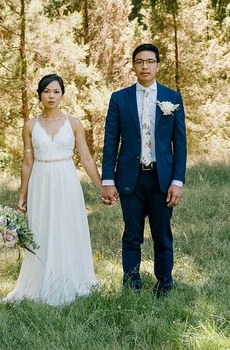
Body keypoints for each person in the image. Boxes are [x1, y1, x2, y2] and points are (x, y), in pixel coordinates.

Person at [4, 74, 103, 305]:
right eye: (47, 91)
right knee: (42, 229)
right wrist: (22, 196)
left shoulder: (74, 123)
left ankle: (73, 279)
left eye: (56, 91)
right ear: (40, 94)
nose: (51, 96)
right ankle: (41, 282)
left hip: (66, 180)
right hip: (41, 181)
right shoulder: (30, 126)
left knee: (68, 228)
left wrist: (102, 187)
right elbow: (27, 162)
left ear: (62, 95)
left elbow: (86, 158)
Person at [100, 43, 187, 297]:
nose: (145, 66)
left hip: (162, 179)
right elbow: (110, 139)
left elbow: (179, 143)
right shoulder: (119, 98)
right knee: (131, 235)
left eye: (150, 61)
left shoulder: (172, 98)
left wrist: (177, 181)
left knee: (162, 236)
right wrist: (108, 179)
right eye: (140, 62)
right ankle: (131, 286)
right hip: (130, 177)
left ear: (158, 65)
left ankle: (165, 286)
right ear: (134, 66)